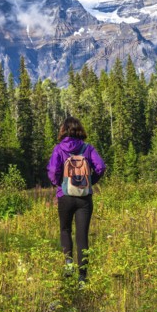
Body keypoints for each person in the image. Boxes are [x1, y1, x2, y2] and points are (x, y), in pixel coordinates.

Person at [47, 116, 106, 286]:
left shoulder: (59, 149)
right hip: (84, 198)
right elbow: (101, 167)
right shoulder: (88, 148)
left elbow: (52, 171)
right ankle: (82, 277)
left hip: (65, 196)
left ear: (63, 130)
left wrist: (59, 183)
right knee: (82, 236)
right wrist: (90, 180)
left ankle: (68, 266)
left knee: (65, 230)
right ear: (80, 129)